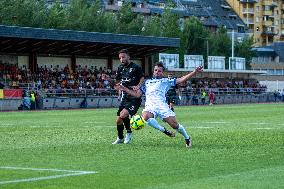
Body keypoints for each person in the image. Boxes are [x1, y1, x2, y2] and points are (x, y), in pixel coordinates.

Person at [115, 62, 203, 149]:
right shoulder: (146, 82)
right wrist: (125, 89)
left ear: (162, 72)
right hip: (150, 107)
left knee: (175, 125)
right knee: (145, 116)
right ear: (153, 71)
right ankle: (163, 130)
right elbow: (137, 95)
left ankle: (187, 138)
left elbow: (181, 80)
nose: (157, 72)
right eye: (156, 70)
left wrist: (194, 72)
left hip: (162, 107)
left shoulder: (165, 81)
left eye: (159, 71)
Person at [112, 49, 144, 144]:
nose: (121, 59)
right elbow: (117, 82)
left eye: (123, 57)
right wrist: (110, 80)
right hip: (125, 97)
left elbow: (142, 78)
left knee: (123, 114)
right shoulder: (120, 68)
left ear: (128, 57)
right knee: (118, 121)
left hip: (134, 97)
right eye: (120, 58)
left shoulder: (136, 67)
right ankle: (120, 138)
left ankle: (129, 133)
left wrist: (138, 86)